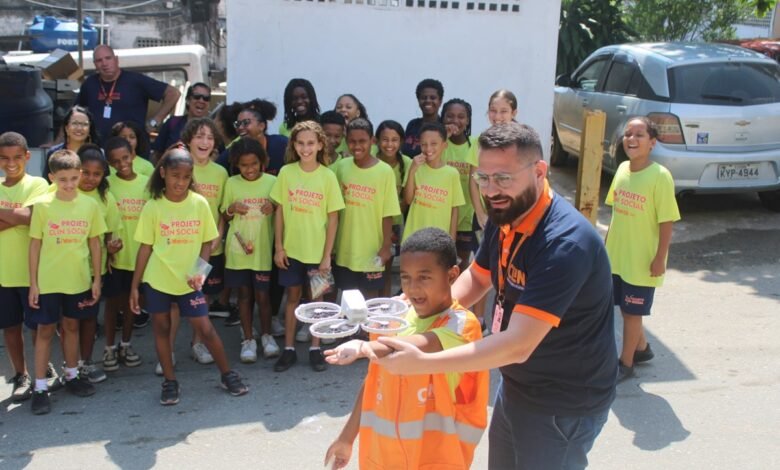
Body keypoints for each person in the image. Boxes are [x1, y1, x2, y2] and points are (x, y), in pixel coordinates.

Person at [376, 123, 618, 469]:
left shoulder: (564, 244)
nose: (491, 191)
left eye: (503, 178)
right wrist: (415, 303)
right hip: (519, 384)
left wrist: (424, 363)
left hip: (562, 401)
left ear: (538, 171)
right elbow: (476, 278)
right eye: (483, 179)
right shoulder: (507, 213)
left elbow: (518, 344)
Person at [323, 227, 489, 470]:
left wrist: (364, 345)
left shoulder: (461, 326)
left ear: (452, 275)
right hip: (382, 459)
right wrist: (347, 437)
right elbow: (374, 379)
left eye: (424, 277)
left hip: (437, 460)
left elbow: (418, 346)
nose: (412, 288)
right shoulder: (398, 319)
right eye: (405, 277)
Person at [129, 147, 248, 405]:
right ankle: (170, 381)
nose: (180, 182)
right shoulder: (153, 207)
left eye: (185, 176)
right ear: (162, 173)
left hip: (190, 281)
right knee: (161, 328)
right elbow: (145, 248)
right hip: (158, 280)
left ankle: (227, 374)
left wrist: (199, 272)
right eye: (174, 175)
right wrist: (135, 286)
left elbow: (208, 241)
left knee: (205, 328)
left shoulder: (199, 203)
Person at [28, 149, 107, 415]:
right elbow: (35, 246)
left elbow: (95, 243)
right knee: (45, 331)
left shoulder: (90, 205)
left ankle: (72, 375)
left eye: (74, 178)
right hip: (48, 281)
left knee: (72, 326)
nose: (69, 184)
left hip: (78, 280)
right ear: (51, 177)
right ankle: (39, 387)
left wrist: (96, 279)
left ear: (80, 174)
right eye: (63, 179)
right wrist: (33, 284)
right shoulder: (42, 205)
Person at [605, 117, 680, 381]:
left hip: (642, 261)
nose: (632, 140)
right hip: (618, 256)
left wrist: (660, 258)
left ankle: (626, 364)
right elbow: (615, 212)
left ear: (652, 142)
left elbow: (666, 221)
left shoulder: (660, 176)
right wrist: (606, 248)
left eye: (639, 135)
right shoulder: (623, 169)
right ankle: (642, 347)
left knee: (631, 312)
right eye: (628, 134)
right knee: (626, 309)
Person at [269, 121, 344, 372]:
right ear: (294, 145)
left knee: (318, 301)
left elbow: (333, 218)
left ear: (320, 145)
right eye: (300, 143)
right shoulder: (286, 173)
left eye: (311, 143)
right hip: (292, 251)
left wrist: (326, 257)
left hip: (317, 253)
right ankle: (289, 349)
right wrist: (279, 247)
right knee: (292, 298)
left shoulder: (328, 176)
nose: (305, 148)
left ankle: (315, 348)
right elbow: (279, 211)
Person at [0, 132, 49, 402]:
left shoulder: (38, 184)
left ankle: (42, 369)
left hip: (33, 273)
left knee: (38, 327)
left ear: (27, 157)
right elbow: (21, 216)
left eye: (17, 157)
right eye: (5, 158)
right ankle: (21, 373)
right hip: (3, 273)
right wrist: (17, 216)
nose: (11, 163)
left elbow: (31, 217)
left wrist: (22, 216)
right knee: (10, 327)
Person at [221, 138, 280, 361]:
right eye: (244, 165)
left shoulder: (273, 182)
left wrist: (273, 206)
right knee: (244, 296)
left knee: (263, 296)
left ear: (262, 162)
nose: (250, 169)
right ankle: (248, 339)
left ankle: (267, 336)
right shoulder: (232, 183)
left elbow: (281, 211)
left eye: (254, 163)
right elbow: (224, 215)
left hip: (262, 249)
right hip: (238, 251)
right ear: (236, 165)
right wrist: (231, 208)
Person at [330, 118, 400, 300]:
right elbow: (333, 210)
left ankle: (367, 331)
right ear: (346, 141)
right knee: (348, 298)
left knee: (370, 298)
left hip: (372, 250)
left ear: (372, 141)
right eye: (352, 141)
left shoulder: (385, 172)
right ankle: (353, 330)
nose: (357, 146)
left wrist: (386, 246)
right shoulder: (341, 167)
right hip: (345, 249)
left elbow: (387, 214)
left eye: (362, 141)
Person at [181, 118, 231, 364]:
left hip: (209, 247)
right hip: (180, 245)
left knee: (202, 296)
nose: (204, 142)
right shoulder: (179, 166)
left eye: (210, 138)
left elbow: (222, 211)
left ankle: (197, 343)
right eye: (199, 136)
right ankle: (165, 352)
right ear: (189, 139)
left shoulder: (220, 172)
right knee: (173, 300)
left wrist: (218, 235)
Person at [74, 144, 123, 384]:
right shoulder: (61, 192)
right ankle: (70, 366)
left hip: (94, 271)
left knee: (89, 318)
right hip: (63, 270)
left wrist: (113, 247)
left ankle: (85, 362)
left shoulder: (106, 198)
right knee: (67, 322)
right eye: (85, 172)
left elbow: (111, 235)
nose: (90, 178)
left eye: (97, 174)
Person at [103, 137, 148, 373]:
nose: (122, 164)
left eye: (125, 158)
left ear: (133, 154)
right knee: (112, 304)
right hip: (115, 258)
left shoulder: (146, 184)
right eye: (115, 161)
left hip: (138, 256)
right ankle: (109, 347)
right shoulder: (106, 184)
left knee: (133, 304)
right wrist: (106, 247)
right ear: (109, 163)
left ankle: (126, 344)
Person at [76, 45, 180, 140]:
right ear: (95, 64)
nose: (104, 63)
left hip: (133, 149)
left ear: (116, 60)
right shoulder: (89, 84)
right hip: (100, 149)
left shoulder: (135, 80)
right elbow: (75, 113)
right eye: (99, 60)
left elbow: (173, 93)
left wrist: (156, 120)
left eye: (108, 58)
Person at [402, 122, 464, 243]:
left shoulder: (452, 173)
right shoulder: (413, 165)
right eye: (424, 144)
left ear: (444, 145)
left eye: (434, 144)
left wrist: (452, 240)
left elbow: (454, 210)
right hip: (414, 238)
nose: (428, 148)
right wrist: (412, 172)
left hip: (439, 240)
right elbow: (408, 200)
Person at [441, 98, 480, 275]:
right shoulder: (438, 144)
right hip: (441, 214)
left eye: (461, 116)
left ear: (468, 120)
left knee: (461, 263)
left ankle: (457, 299)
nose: (455, 121)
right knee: (440, 262)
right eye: (450, 116)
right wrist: (444, 137)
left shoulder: (475, 145)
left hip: (466, 215)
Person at [375, 120, 411, 297]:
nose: (389, 144)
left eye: (394, 140)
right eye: (385, 139)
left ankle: (383, 306)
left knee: (385, 269)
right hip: (370, 223)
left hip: (393, 224)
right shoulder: (371, 162)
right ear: (376, 141)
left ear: (401, 141)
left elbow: (406, 199)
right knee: (369, 270)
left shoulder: (407, 163)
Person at [217, 99, 288, 177]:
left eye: (246, 122)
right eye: (238, 124)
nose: (240, 127)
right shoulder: (232, 153)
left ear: (261, 126)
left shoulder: (282, 145)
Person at [152, 82, 212, 159]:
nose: (201, 100)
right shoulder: (172, 123)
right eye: (197, 97)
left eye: (206, 98)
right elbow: (157, 153)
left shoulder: (213, 129)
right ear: (188, 100)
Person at [402, 78, 444, 156]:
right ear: (418, 101)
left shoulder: (444, 126)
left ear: (440, 101)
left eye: (433, 98)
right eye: (424, 97)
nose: (428, 100)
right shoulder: (412, 124)